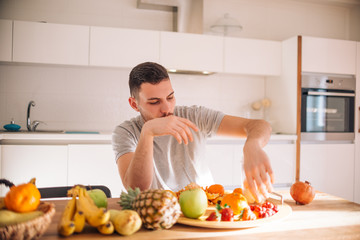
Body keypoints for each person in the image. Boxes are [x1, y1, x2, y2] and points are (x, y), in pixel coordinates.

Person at [112, 62, 274, 202]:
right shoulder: (126, 132)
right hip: (159, 216)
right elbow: (136, 189)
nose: (167, 109)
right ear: (134, 104)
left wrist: (252, 145)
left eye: (170, 97)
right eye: (154, 102)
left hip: (206, 209)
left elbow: (259, 125)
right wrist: (147, 132)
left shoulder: (194, 116)